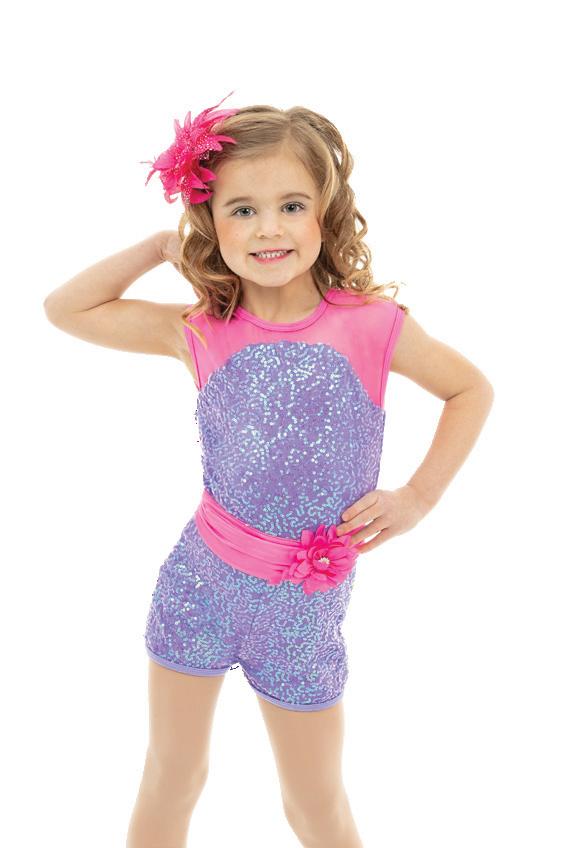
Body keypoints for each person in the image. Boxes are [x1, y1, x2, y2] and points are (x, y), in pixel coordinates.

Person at [43, 91, 495, 848]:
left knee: (315, 804)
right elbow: (66, 309)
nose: (269, 228)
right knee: (172, 777)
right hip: (198, 588)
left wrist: (419, 495)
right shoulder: (198, 329)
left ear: (325, 213)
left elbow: (470, 389)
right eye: (241, 210)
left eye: (291, 205)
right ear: (211, 223)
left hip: (303, 616)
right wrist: (159, 247)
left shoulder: (373, 325)